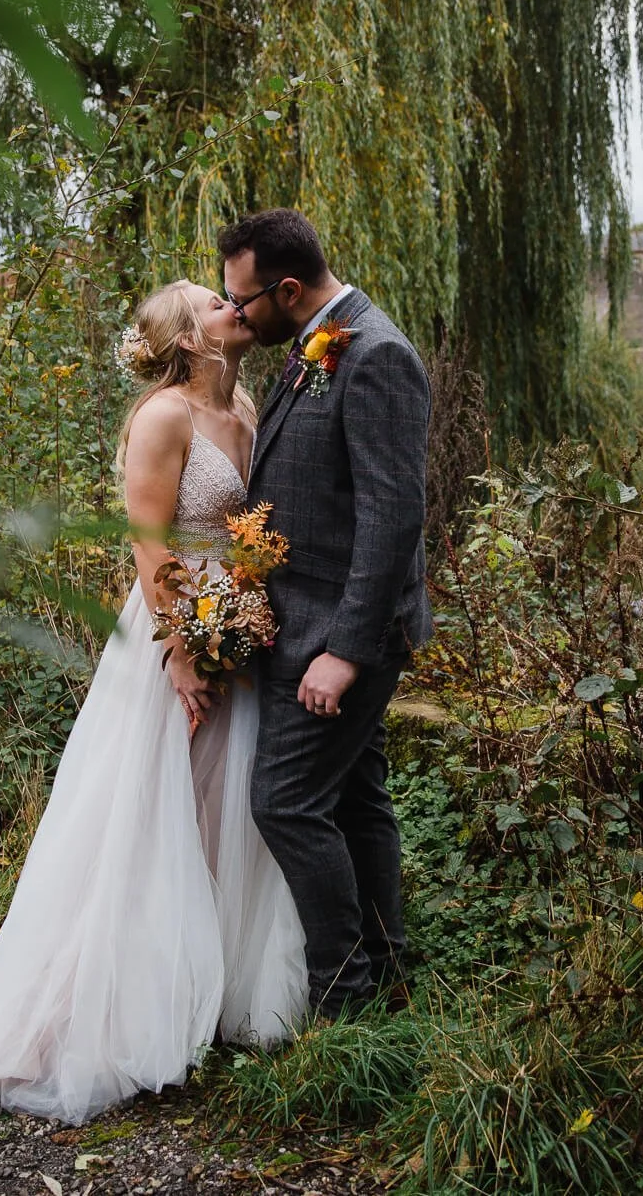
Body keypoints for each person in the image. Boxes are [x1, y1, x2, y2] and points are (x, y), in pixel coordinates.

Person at [0, 280, 305, 1123]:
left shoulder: (246, 403)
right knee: (150, 813)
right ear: (188, 334)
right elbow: (148, 541)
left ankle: (208, 993)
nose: (234, 305)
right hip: (176, 625)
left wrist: (242, 618)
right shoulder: (163, 415)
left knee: (223, 806)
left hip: (240, 622)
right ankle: (114, 1004)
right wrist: (180, 650)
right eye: (216, 301)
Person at [220, 208, 434, 1020]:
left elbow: (393, 516)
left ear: (287, 289)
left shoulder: (375, 354)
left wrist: (343, 649)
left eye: (243, 303)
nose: (236, 316)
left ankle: (343, 999)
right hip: (304, 619)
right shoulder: (317, 344)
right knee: (355, 798)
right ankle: (383, 972)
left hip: (340, 633)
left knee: (284, 801)